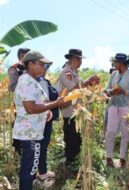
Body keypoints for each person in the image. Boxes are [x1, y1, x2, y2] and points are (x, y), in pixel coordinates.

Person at [13, 51, 64, 190]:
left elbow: (32, 106)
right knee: (29, 169)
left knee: (28, 167)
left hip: (31, 132)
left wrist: (45, 112)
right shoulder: (27, 81)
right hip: (30, 134)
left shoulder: (30, 80)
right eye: (41, 64)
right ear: (30, 64)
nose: (44, 67)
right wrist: (55, 104)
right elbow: (30, 108)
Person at [57, 49, 99, 164]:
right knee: (71, 140)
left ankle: (75, 165)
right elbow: (74, 89)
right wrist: (87, 81)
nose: (80, 61)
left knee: (77, 140)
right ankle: (70, 166)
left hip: (77, 112)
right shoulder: (66, 72)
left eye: (80, 59)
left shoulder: (75, 72)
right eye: (78, 59)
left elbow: (81, 87)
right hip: (69, 112)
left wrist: (91, 82)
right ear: (71, 59)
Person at [105, 53, 129, 168]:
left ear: (122, 64)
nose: (115, 64)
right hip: (114, 105)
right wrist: (112, 92)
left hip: (126, 107)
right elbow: (106, 90)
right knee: (110, 131)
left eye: (116, 63)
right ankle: (109, 158)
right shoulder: (114, 74)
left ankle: (122, 158)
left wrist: (124, 91)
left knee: (126, 132)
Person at [36, 64, 59, 180]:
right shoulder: (36, 82)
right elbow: (42, 101)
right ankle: (40, 172)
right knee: (41, 145)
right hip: (42, 119)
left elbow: (54, 95)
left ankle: (42, 170)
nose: (45, 70)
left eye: (46, 68)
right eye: (44, 68)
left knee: (43, 145)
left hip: (46, 117)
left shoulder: (44, 81)